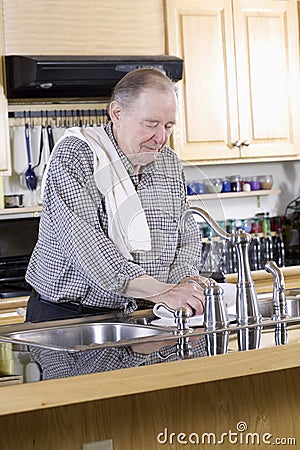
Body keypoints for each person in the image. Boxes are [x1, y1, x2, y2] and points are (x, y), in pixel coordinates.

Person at [25, 67, 209, 378]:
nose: (161, 138)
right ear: (117, 113)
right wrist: (163, 292)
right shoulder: (75, 156)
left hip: (141, 318)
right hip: (68, 323)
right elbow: (88, 248)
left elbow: (186, 233)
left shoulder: (168, 162)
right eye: (151, 124)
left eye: (168, 125)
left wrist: (180, 286)